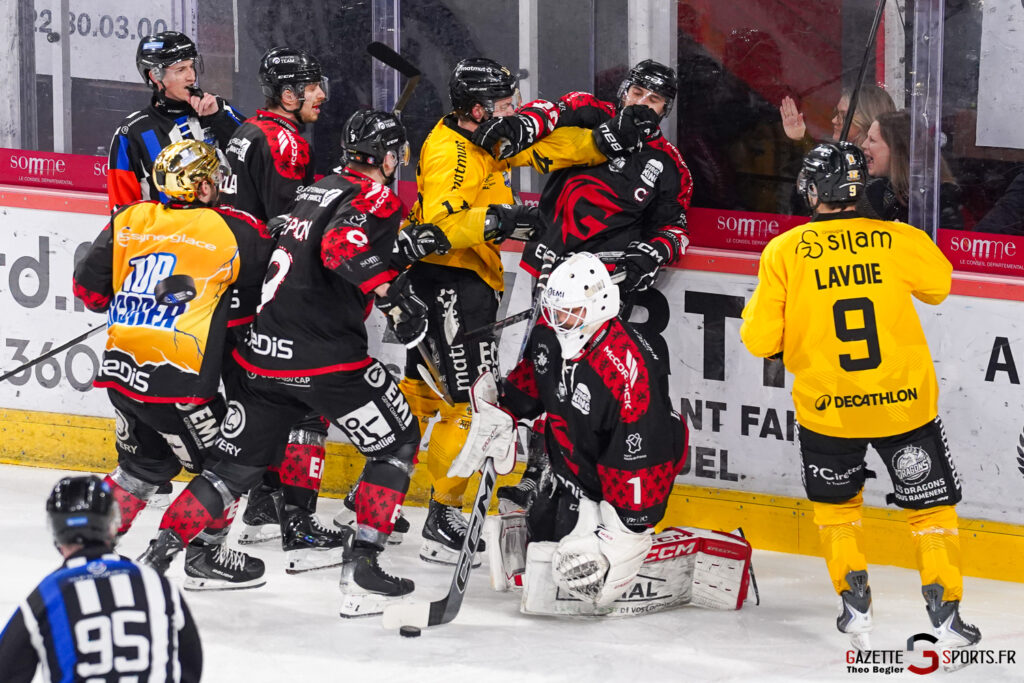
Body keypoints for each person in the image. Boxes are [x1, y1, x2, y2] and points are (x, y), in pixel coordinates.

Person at [139, 110, 432, 615]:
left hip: (264, 356)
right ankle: (362, 566)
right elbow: (342, 247)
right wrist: (392, 296)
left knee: (230, 469)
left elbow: (304, 240)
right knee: (397, 444)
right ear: (388, 157)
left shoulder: (315, 188)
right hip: (326, 358)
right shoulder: (377, 195)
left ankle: (158, 560)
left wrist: (396, 257)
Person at [739, 141, 980, 651]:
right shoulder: (896, 239)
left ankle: (855, 607)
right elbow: (939, 285)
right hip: (904, 408)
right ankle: (947, 615)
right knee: (930, 513)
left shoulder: (784, 250)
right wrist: (886, 229)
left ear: (812, 189)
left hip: (829, 413)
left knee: (838, 512)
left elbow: (760, 341)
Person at [384, 57, 609, 567]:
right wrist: (502, 218)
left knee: (420, 392)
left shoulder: (489, 134)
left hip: (462, 281)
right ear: (479, 109)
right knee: (469, 406)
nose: (514, 110)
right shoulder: (450, 153)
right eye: (505, 102)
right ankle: (443, 514)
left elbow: (551, 149)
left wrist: (607, 142)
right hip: (449, 284)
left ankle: (377, 495)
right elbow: (440, 225)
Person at [73, 139, 273, 590]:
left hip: (122, 375)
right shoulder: (231, 227)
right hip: (179, 383)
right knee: (229, 466)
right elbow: (274, 276)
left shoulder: (130, 218)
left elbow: (89, 293)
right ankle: (202, 557)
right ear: (203, 186)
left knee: (139, 470)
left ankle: (85, 551)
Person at [496, 58, 692, 510]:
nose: (644, 103)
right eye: (638, 93)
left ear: (665, 110)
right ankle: (520, 463)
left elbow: (675, 228)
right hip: (538, 270)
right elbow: (548, 112)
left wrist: (653, 252)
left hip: (596, 294)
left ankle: (548, 474)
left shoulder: (668, 165)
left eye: (655, 99)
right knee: (520, 374)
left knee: (571, 384)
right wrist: (516, 127)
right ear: (624, 91)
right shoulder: (591, 113)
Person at [448, 253, 693, 610]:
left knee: (586, 570)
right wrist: (504, 409)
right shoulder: (550, 334)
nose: (558, 321)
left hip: (631, 474)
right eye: (553, 311)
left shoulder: (626, 374)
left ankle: (643, 546)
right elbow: (535, 378)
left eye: (569, 312)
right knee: (543, 537)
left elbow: (643, 457)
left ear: (599, 307)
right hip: (571, 466)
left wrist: (626, 530)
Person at [220, 47, 345, 558]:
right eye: (312, 87)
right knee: (306, 405)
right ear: (290, 96)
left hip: (234, 291)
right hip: (268, 295)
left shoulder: (247, 132)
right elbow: (289, 229)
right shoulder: (285, 143)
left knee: (261, 404)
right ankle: (297, 519)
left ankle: (263, 504)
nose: (321, 95)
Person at [0, 476, 202, 682]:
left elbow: (6, 670)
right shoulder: (157, 584)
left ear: (55, 532)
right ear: (112, 524)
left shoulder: (50, 593)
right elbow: (191, 666)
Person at [107, 31, 244, 211]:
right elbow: (122, 213)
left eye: (191, 66)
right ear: (155, 76)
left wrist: (221, 119)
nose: (192, 76)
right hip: (170, 237)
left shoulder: (218, 110)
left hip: (224, 232)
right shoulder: (131, 132)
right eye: (181, 69)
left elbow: (260, 158)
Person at [860, 110, 963, 228]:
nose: (864, 144)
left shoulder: (940, 201)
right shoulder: (874, 192)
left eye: (872, 140)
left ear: (896, 149)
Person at [780, 83, 895, 148]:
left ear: (866, 119)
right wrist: (800, 138)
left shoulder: (875, 168)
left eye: (843, 116)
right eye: (837, 114)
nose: (834, 120)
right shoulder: (840, 153)